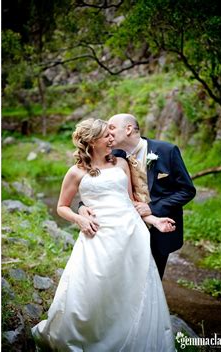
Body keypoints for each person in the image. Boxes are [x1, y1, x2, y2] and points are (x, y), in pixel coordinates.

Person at [32, 118, 175, 351]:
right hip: (98, 237)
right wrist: (80, 217)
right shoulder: (76, 172)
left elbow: (131, 202)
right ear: (91, 141)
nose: (112, 139)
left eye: (112, 134)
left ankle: (132, 339)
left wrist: (154, 220)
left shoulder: (121, 163)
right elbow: (61, 206)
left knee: (131, 289)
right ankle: (91, 337)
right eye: (106, 136)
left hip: (131, 236)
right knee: (94, 290)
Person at [79, 113, 196, 279]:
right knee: (124, 279)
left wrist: (151, 208)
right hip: (123, 230)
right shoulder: (113, 156)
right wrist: (82, 207)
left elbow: (187, 190)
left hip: (159, 228)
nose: (109, 133)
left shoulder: (166, 151)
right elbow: (96, 188)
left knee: (153, 282)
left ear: (128, 129)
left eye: (112, 127)